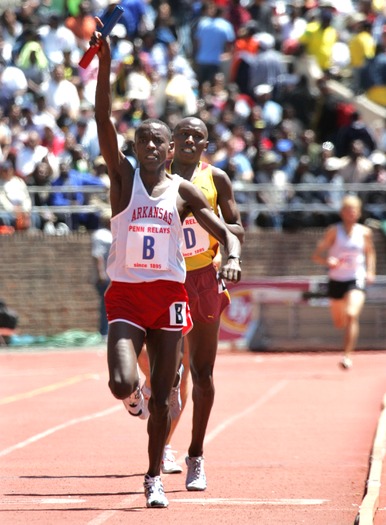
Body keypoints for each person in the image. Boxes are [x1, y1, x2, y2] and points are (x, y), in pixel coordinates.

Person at [91, 22, 242, 509]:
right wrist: (106, 64)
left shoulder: (185, 190)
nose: (152, 147)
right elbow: (102, 121)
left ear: (171, 150)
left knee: (165, 396)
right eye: (144, 141)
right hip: (129, 295)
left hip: (173, 296)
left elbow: (223, 229)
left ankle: (154, 475)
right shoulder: (122, 180)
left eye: (160, 142)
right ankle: (131, 398)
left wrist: (233, 256)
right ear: (135, 148)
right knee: (121, 382)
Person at [138, 116, 245, 482]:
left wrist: (213, 230)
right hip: (163, 277)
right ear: (171, 143)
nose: (188, 139)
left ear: (205, 145)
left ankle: (196, 454)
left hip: (201, 278)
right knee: (162, 372)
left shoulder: (216, 179)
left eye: (196, 135)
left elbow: (238, 228)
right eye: (182, 133)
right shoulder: (154, 175)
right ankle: (143, 403)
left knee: (202, 373)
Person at [311, 194, 376, 369]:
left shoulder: (364, 232)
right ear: (342, 212)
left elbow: (370, 252)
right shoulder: (334, 231)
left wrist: (370, 271)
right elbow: (316, 255)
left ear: (359, 212)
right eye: (348, 210)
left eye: (354, 210)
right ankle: (345, 336)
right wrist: (328, 261)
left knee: (351, 314)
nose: (351, 213)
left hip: (356, 277)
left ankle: (347, 356)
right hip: (336, 279)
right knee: (339, 321)